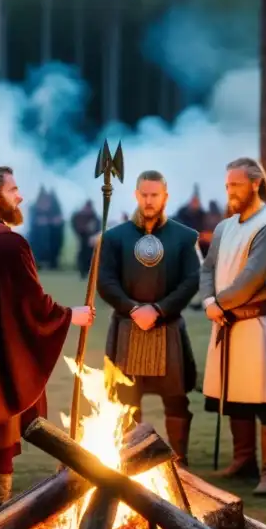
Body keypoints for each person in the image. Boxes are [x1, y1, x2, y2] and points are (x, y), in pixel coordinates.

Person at [0, 165, 95, 522]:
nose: (20, 196)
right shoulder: (8, 243)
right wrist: (69, 315)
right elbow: (30, 304)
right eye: (13, 190)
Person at [200, 157, 266, 496]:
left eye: (236, 184)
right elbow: (207, 269)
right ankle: (244, 461)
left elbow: (250, 280)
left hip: (257, 326)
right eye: (227, 185)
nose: (230, 191)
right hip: (226, 323)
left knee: (265, 401)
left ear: (255, 184)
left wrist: (218, 304)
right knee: (235, 397)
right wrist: (209, 303)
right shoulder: (226, 227)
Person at [97, 170, 201, 464]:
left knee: (177, 399)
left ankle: (179, 462)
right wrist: (132, 308)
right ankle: (131, 459)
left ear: (165, 196)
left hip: (166, 328)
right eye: (144, 194)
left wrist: (158, 309)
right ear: (135, 195)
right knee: (127, 401)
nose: (149, 200)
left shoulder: (183, 237)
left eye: (155, 195)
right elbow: (105, 282)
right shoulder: (115, 237)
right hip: (128, 328)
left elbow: (191, 281)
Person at [71, 200, 102, 279]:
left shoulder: (94, 217)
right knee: (82, 254)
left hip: (92, 239)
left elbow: (97, 228)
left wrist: (94, 236)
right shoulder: (78, 216)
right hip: (82, 238)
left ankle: (89, 271)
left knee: (91, 255)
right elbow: (75, 225)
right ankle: (82, 272)